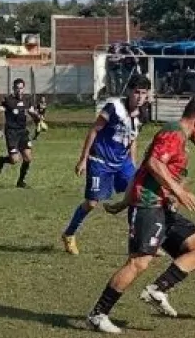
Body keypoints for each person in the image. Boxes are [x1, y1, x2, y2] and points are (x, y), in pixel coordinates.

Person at [86, 97, 195, 334]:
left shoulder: (181, 141)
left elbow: (142, 172)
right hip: (148, 206)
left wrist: (125, 201)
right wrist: (179, 192)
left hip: (162, 208)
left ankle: (158, 289)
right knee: (139, 262)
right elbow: (154, 163)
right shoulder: (172, 134)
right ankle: (98, 314)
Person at [62, 75, 151, 255]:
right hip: (100, 161)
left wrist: (132, 164)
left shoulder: (143, 114)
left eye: (144, 93)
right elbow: (94, 130)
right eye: (137, 92)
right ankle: (69, 234)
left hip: (122, 163)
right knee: (91, 203)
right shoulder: (114, 107)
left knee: (139, 195)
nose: (140, 97)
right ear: (129, 91)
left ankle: (141, 241)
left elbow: (133, 139)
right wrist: (83, 159)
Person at [0, 78, 42, 188]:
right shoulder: (8, 101)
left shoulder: (27, 100)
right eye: (17, 88)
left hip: (23, 132)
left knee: (28, 158)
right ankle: (2, 160)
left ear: (24, 89)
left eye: (21, 88)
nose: (19, 90)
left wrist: (38, 120)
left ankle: (21, 181)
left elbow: (32, 113)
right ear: (13, 89)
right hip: (11, 133)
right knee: (14, 160)